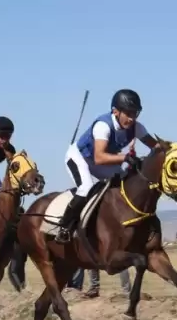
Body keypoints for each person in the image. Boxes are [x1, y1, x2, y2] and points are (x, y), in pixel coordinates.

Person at [56, 89, 160, 244]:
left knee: (124, 183)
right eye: (128, 113)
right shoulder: (103, 126)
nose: (132, 118)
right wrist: (125, 157)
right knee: (85, 188)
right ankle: (64, 227)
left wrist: (172, 151)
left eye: (135, 113)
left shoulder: (137, 128)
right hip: (80, 157)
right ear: (115, 111)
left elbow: (157, 147)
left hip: (100, 160)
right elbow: (99, 157)